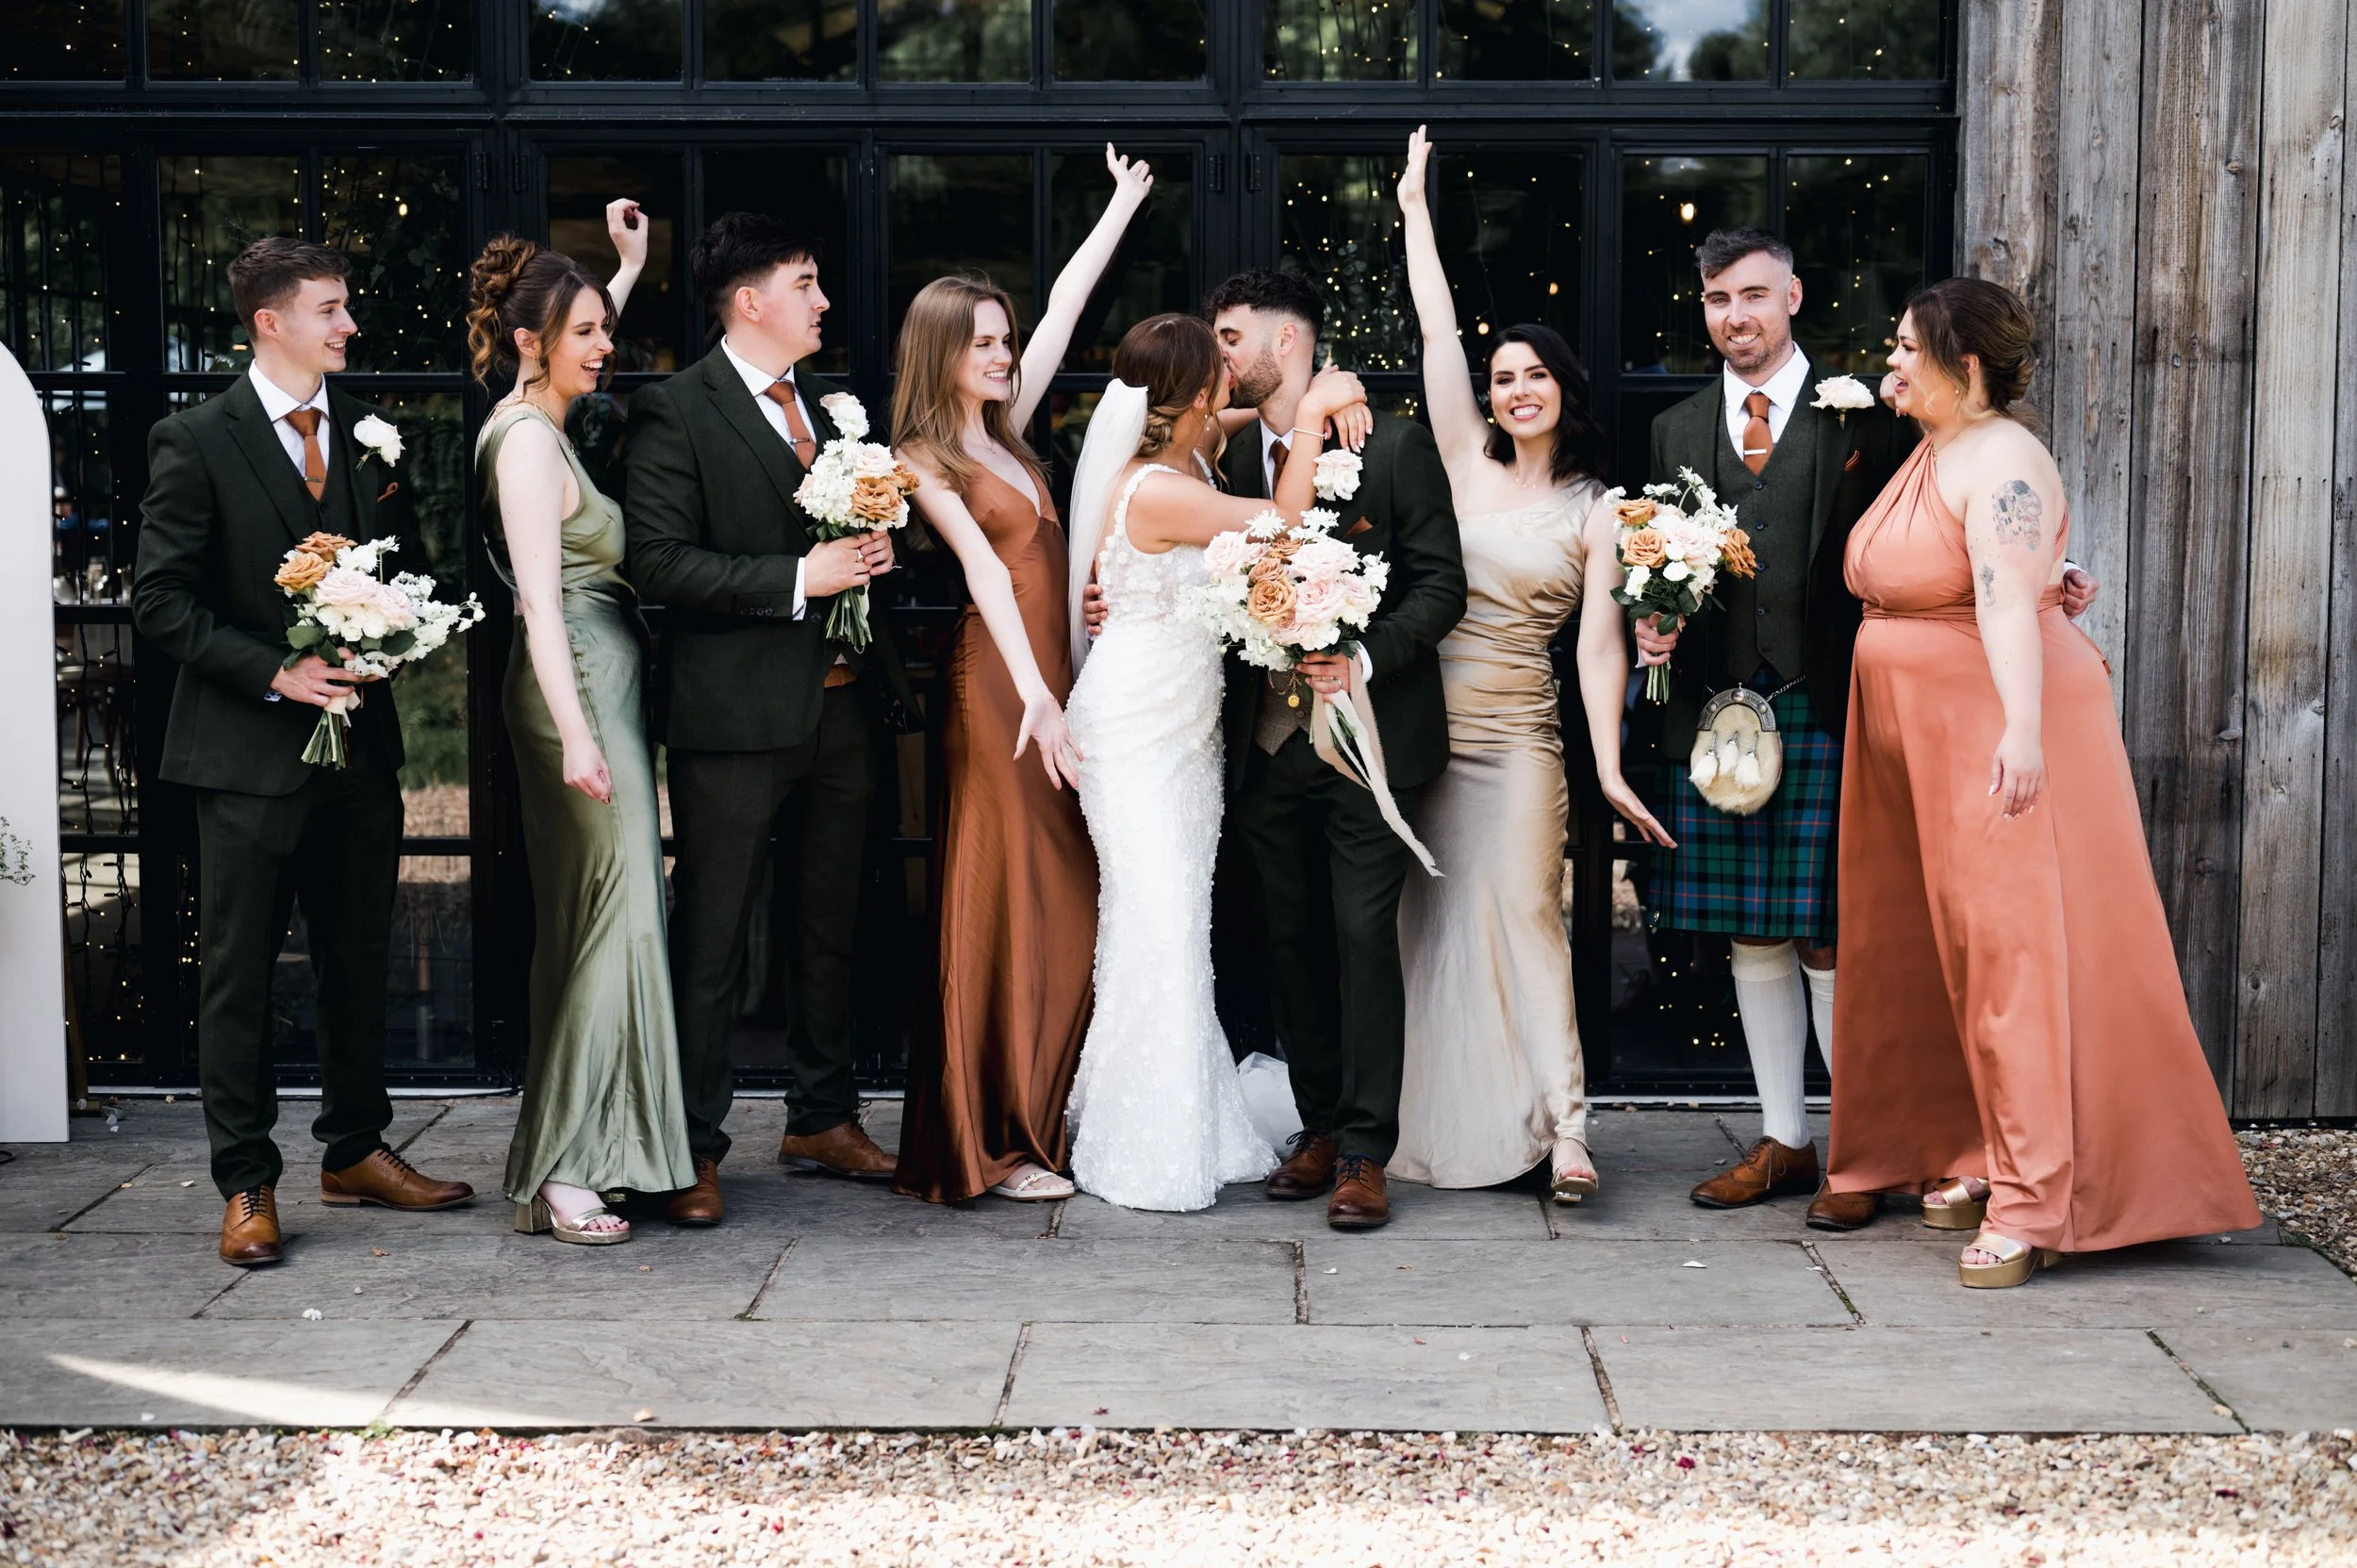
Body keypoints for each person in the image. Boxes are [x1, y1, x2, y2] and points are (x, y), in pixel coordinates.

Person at [1632, 228, 2096, 1231]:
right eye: (1716, 300)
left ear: (1793, 294)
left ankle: (1863, 1144)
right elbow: (1662, 561)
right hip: (1721, 718)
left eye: (1753, 294)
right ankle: (1781, 1138)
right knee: (1747, 928)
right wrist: (1654, 616)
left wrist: (2044, 582)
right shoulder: (1671, 431)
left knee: (1841, 936)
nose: (1735, 317)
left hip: (1843, 704)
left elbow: (1957, 523)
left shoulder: (1879, 410)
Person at [1827, 277, 2259, 1285]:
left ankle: (2033, 1196)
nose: (1889, 361)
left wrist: (2021, 730)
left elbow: (2000, 604)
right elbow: (1998, 577)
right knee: (1942, 946)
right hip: (1915, 729)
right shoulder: (1937, 451)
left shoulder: (2004, 457)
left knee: (2009, 955)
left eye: (1904, 348)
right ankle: (1983, 1147)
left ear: (1963, 365)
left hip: (1990, 723)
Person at [132, 237, 476, 1267]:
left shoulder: (369, 446)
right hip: (243, 758)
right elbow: (159, 600)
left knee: (358, 961)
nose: (350, 326)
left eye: (347, 307)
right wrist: (275, 672)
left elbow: (404, 572)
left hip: (360, 753)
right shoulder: (195, 439)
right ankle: (246, 1181)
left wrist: (392, 638)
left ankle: (357, 1151)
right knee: (237, 977)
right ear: (269, 322)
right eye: (330, 310)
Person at [625, 213, 920, 1225]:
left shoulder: (832, 407)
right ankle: (690, 1147)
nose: (824, 301)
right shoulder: (676, 409)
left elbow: (852, 531)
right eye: (806, 281)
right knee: (711, 941)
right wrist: (803, 575)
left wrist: (873, 548)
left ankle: (821, 1116)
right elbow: (658, 561)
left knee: (829, 926)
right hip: (734, 719)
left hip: (843, 709)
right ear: (748, 302)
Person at [890, 147, 1152, 1205]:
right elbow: (990, 576)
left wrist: (1120, 208)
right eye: (983, 345)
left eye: (1003, 342)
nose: (1003, 356)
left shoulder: (1005, 431)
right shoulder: (921, 455)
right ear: (943, 354)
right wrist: (1038, 694)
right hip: (998, 696)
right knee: (1006, 901)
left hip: (1051, 687)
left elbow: (1060, 309)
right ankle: (986, 1142)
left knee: (1066, 902)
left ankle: (1039, 1119)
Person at [1061, 315, 1367, 1212]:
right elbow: (1283, 519)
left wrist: (1285, 405)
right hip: (1137, 728)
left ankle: (1188, 1113)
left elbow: (1228, 430)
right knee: (1153, 921)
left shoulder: (1189, 453)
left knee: (1175, 922)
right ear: (1197, 392)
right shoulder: (1159, 488)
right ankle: (1139, 1142)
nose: (1234, 370)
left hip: (1186, 732)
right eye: (1219, 366)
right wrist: (1313, 412)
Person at [1388, 127, 1642, 1201]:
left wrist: (1612, 768)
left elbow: (1597, 648)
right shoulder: (1458, 462)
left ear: (1562, 388)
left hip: (1518, 736)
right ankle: (1436, 1119)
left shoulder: (1597, 509)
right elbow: (1437, 331)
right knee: (1428, 926)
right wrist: (1412, 208)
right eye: (1504, 376)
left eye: (1534, 373)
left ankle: (1567, 1132)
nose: (1516, 388)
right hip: (1417, 730)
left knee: (1532, 918)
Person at [1209, 268, 1469, 1231]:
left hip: (1366, 741)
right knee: (1287, 940)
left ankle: (1365, 1149)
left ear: (1287, 344)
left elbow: (1441, 588)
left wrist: (1361, 654)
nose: (1219, 355)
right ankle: (1316, 1124)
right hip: (1265, 746)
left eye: (1231, 337)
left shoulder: (1394, 447)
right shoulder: (1224, 469)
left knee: (1362, 940)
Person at [469, 205, 695, 1246]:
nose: (607, 347)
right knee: (607, 921)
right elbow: (539, 602)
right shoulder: (522, 445)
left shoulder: (545, 422)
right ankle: (564, 1165)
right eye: (588, 333)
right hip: (575, 686)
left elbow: (573, 337)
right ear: (531, 343)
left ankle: (610, 1145)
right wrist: (578, 734)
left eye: (608, 327)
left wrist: (628, 268)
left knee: (614, 918)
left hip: (600, 680)